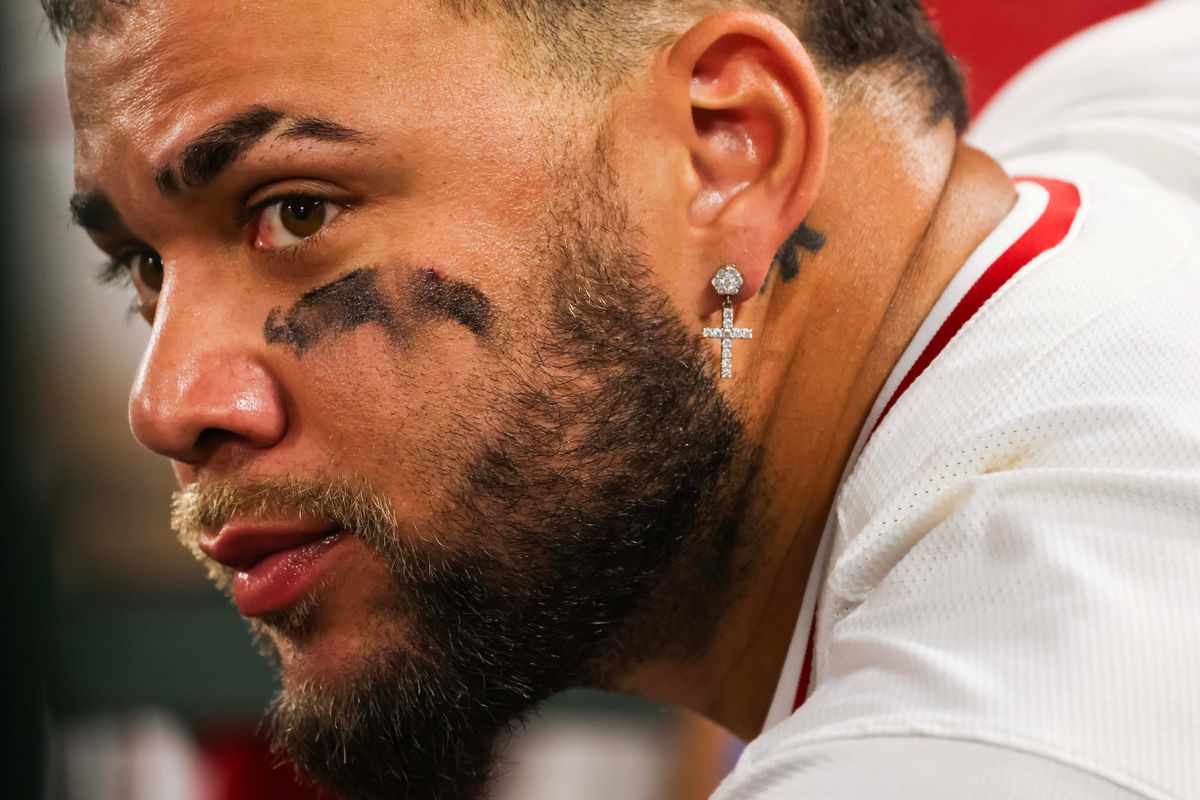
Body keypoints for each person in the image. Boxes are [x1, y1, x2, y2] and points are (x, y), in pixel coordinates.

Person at [48, 0, 1199, 797]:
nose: (168, 402)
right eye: (143, 267)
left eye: (296, 210)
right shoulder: (1107, 124)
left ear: (727, 152)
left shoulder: (1005, 731)